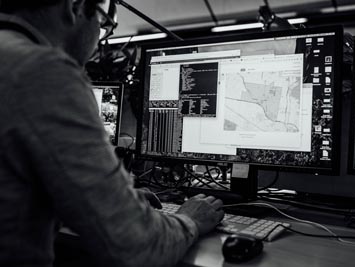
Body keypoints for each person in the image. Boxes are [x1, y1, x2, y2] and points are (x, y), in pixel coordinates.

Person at [0, 0, 224, 266]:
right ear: (77, 7)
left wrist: (114, 201)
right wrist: (191, 220)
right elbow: (136, 247)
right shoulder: (43, 70)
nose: (99, 42)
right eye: (105, 25)